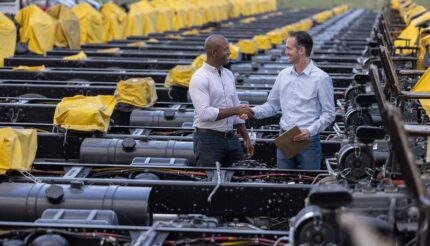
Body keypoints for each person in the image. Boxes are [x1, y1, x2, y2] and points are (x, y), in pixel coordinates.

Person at [250, 31, 335, 170]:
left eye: (289, 48)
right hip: (285, 138)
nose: (285, 52)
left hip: (308, 141)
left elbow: (329, 113)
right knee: (284, 182)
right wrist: (253, 111)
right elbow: (272, 105)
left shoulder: (321, 78)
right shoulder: (283, 75)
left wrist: (309, 131)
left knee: (309, 182)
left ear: (301, 50)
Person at [189, 34, 254, 167]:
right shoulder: (200, 78)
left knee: (237, 177)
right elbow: (204, 113)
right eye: (226, 49)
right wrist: (236, 110)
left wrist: (246, 139)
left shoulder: (228, 75)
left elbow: (236, 111)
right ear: (214, 53)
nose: (230, 52)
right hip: (208, 140)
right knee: (209, 181)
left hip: (231, 138)